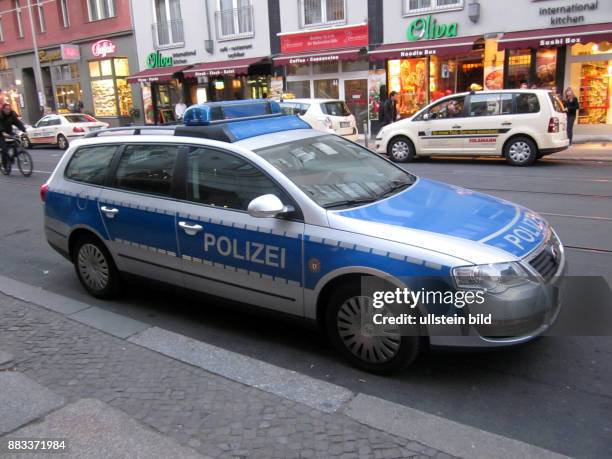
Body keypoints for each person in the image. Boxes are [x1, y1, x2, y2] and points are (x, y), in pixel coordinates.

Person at [0, 103, 27, 172]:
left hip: (9, 132)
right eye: (6, 109)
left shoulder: (12, 115)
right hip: (1, 133)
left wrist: (24, 130)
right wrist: (2, 132)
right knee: (4, 149)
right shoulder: (0, 115)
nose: (8, 110)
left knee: (17, 141)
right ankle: (5, 165)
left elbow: (18, 123)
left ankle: (14, 155)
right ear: (3, 109)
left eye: (9, 109)